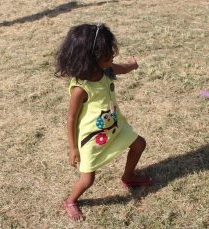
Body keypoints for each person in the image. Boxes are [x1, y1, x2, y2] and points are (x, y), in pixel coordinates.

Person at [55, 23, 152, 221]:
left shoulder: (105, 69)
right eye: (108, 52)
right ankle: (71, 200)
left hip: (115, 127)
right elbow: (71, 118)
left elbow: (122, 69)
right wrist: (73, 148)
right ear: (91, 57)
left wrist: (132, 65)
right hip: (93, 138)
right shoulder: (80, 89)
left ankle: (128, 178)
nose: (113, 55)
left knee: (139, 144)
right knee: (88, 179)